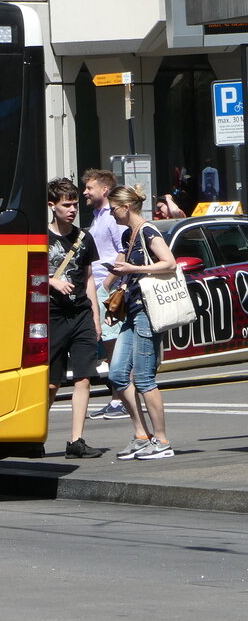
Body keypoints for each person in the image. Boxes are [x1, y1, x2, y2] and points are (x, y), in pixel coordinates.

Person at [105, 184, 178, 460]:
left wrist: (134, 268)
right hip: (133, 309)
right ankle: (141, 435)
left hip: (149, 310)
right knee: (117, 374)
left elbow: (169, 262)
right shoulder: (129, 235)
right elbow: (129, 273)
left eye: (114, 209)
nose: (112, 215)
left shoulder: (148, 230)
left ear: (126, 207)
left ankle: (162, 441)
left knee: (145, 378)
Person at [46, 178, 103, 458]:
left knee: (83, 377)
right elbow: (23, 273)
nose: (72, 210)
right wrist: (51, 282)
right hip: (52, 316)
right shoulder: (40, 238)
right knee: (51, 383)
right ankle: (34, 435)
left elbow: (90, 278)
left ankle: (76, 441)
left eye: (75, 204)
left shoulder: (84, 237)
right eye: (66, 204)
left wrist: (96, 316)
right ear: (51, 206)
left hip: (80, 313)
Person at [82, 169, 129, 420]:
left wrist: (108, 285)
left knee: (115, 346)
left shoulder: (112, 217)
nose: (85, 192)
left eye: (90, 188)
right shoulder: (98, 216)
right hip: (98, 287)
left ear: (104, 190)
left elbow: (123, 251)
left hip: (108, 289)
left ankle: (121, 400)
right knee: (109, 346)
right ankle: (117, 399)